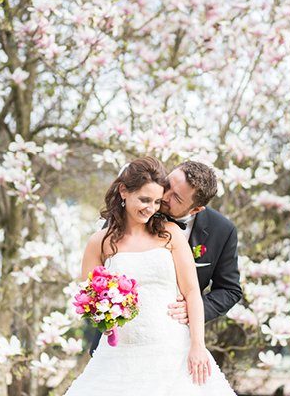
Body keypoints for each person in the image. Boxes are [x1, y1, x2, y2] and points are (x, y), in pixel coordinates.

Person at [65, 157, 236, 395]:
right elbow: (89, 297)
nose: (158, 204)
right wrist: (104, 318)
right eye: (149, 198)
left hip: (171, 344)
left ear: (194, 208)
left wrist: (198, 344)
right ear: (123, 191)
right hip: (120, 350)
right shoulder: (100, 241)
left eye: (161, 200)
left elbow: (193, 291)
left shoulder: (171, 233)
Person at [89, 160, 242, 355]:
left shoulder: (222, 230)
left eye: (176, 198)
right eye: (168, 184)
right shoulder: (131, 212)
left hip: (173, 340)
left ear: (195, 209)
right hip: (118, 342)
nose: (163, 196)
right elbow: (99, 278)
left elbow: (230, 290)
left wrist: (192, 310)